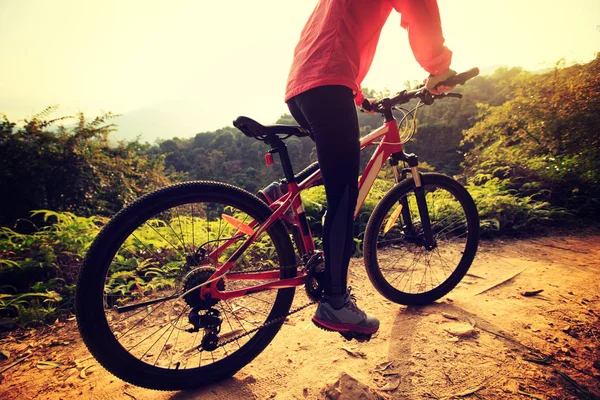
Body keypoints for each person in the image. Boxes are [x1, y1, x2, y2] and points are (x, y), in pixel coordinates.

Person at [281, 0, 456, 339]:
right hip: (329, 84)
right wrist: (438, 67)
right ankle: (335, 301)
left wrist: (359, 97)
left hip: (302, 86)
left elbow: (333, 34)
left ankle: (280, 196)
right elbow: (418, 10)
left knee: (338, 165)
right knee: (344, 197)